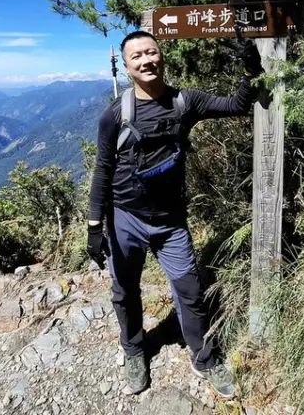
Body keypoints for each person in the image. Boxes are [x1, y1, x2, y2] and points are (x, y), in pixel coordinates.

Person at [86, 29, 263, 397]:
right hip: (125, 219)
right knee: (124, 290)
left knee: (190, 290)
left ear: (161, 56)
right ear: (127, 65)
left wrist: (250, 71)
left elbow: (237, 105)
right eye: (137, 56)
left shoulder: (186, 101)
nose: (146, 60)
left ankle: (204, 357)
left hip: (170, 222)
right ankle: (134, 350)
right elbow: (102, 169)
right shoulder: (115, 115)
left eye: (151, 52)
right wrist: (94, 225)